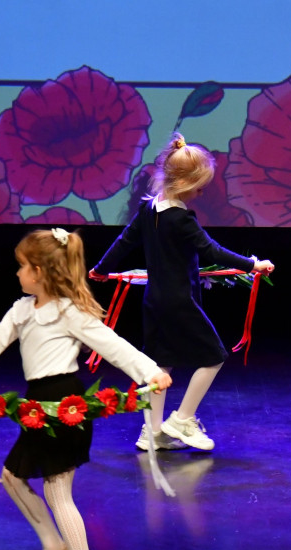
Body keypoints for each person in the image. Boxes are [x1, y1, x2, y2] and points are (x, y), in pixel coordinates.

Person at [0, 228, 172, 550]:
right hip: (38, 406)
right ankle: (55, 547)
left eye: (22, 266)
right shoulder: (23, 310)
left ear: (39, 271)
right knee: (12, 476)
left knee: (58, 491)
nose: (17, 273)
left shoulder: (70, 312)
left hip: (64, 406)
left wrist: (150, 372)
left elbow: (113, 345)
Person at [89, 133, 274, 452]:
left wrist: (101, 269)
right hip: (178, 302)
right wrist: (253, 264)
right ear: (184, 183)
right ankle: (182, 419)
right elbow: (211, 251)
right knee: (215, 356)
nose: (202, 192)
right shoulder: (181, 217)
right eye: (199, 186)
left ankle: (152, 433)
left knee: (160, 364)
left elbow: (124, 241)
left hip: (155, 301)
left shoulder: (150, 210)